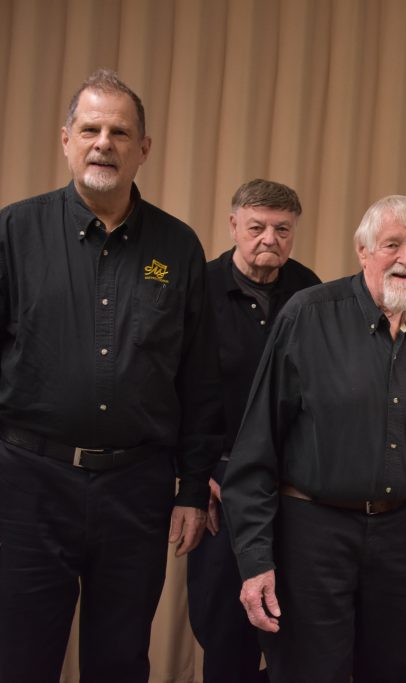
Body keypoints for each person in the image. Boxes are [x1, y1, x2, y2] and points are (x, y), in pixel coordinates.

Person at [0, 69, 220, 681]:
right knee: (18, 658)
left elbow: (199, 380)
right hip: (27, 484)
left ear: (143, 148)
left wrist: (190, 490)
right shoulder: (14, 232)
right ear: (65, 140)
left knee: (120, 661)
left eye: (120, 132)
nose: (104, 143)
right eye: (90, 129)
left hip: (136, 488)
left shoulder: (178, 247)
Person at [221, 195, 406, 682]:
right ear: (363, 250)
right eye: (392, 245)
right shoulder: (307, 316)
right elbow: (257, 447)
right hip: (313, 536)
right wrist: (256, 560)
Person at [187, 179, 320, 683]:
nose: (270, 239)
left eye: (282, 229)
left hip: (290, 484)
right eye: (257, 227)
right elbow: (175, 391)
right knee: (224, 627)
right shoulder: (199, 287)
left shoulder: (310, 291)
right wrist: (197, 477)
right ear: (233, 225)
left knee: (291, 625)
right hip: (219, 480)